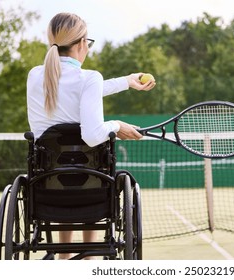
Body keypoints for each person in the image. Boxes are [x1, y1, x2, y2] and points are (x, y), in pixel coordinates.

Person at [26, 12, 156, 259]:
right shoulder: (90, 78)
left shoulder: (34, 76)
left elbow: (80, 88)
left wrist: (127, 81)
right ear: (82, 43)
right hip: (91, 186)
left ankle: (62, 256)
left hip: (46, 186)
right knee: (92, 166)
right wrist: (116, 125)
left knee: (68, 169)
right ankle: (90, 255)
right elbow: (93, 135)